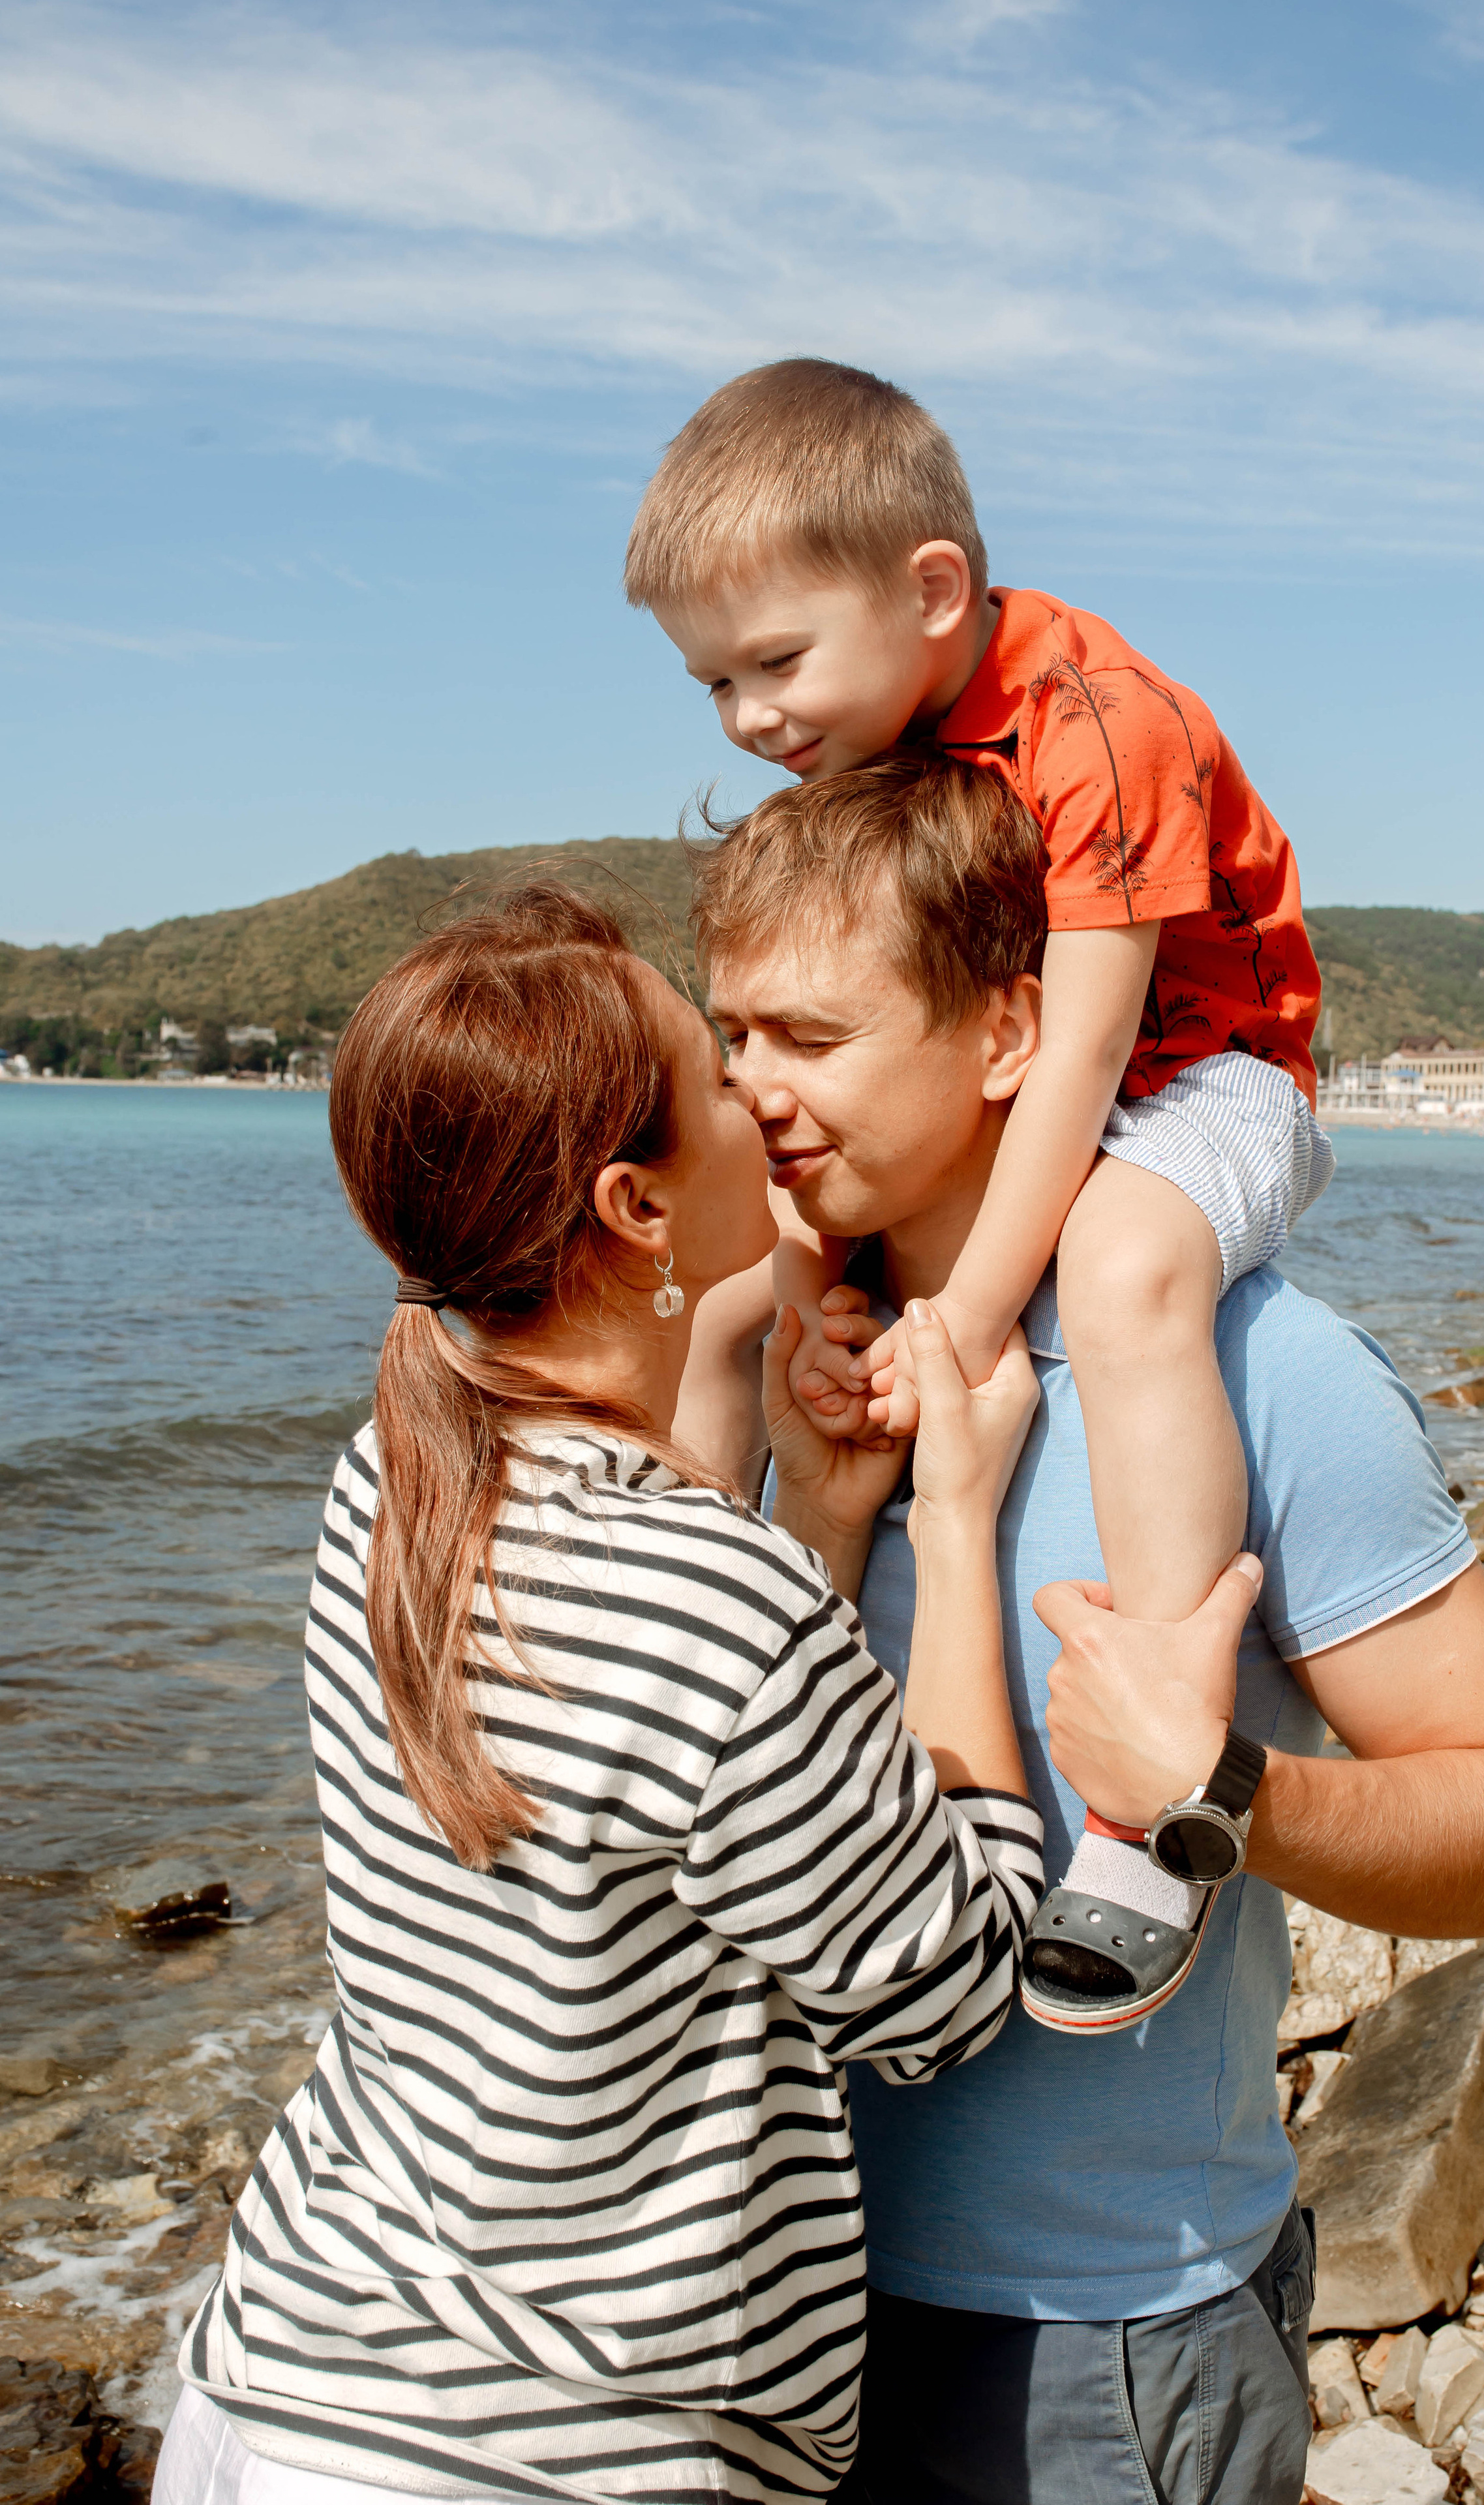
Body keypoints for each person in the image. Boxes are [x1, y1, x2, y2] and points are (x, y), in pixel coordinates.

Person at [688, 755, 1484, 2505]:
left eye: (810, 1037)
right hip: (746, 2309)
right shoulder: (770, 1371)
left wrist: (1224, 1790)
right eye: (731, 1039)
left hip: (1093, 2340)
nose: (753, 1093)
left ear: (1013, 1032)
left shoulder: (1263, 1376)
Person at [153, 880, 1046, 2505]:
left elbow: (663, 1790)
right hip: (535, 2455)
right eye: (716, 1071)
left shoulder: (394, 1475)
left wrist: (821, 1517)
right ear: (637, 1210)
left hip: (283, 2384)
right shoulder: (707, 1598)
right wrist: (962, 1527)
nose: (760, 1091)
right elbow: (952, 1987)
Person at [626, 356, 1331, 2032]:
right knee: (766, 1268)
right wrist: (819, 1294)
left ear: (930, 590)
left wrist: (952, 1316)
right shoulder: (882, 730)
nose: (748, 720)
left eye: (774, 663)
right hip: (1031, 1077)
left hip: (1210, 1070)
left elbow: (1076, 1058)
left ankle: (1150, 1794)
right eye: (710, 683)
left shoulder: (1095, 721)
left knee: (1128, 1263)